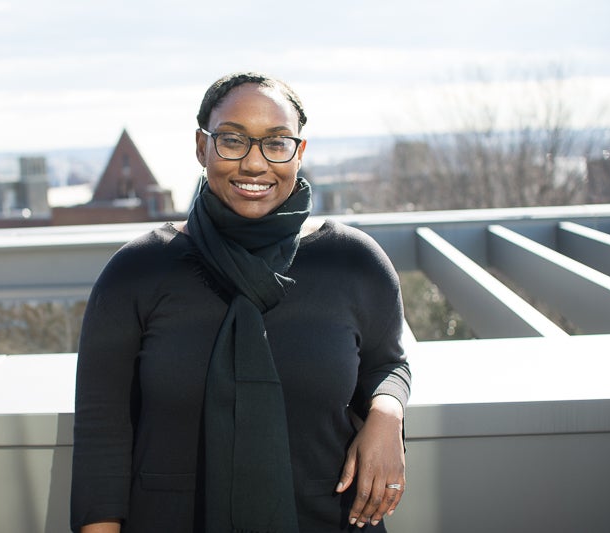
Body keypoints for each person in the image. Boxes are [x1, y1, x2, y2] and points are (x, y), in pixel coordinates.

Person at [70, 72, 411, 533]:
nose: (254, 164)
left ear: (299, 152)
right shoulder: (138, 272)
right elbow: (101, 435)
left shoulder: (353, 262)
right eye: (232, 140)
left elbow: (386, 363)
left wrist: (387, 414)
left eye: (276, 143)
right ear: (201, 147)